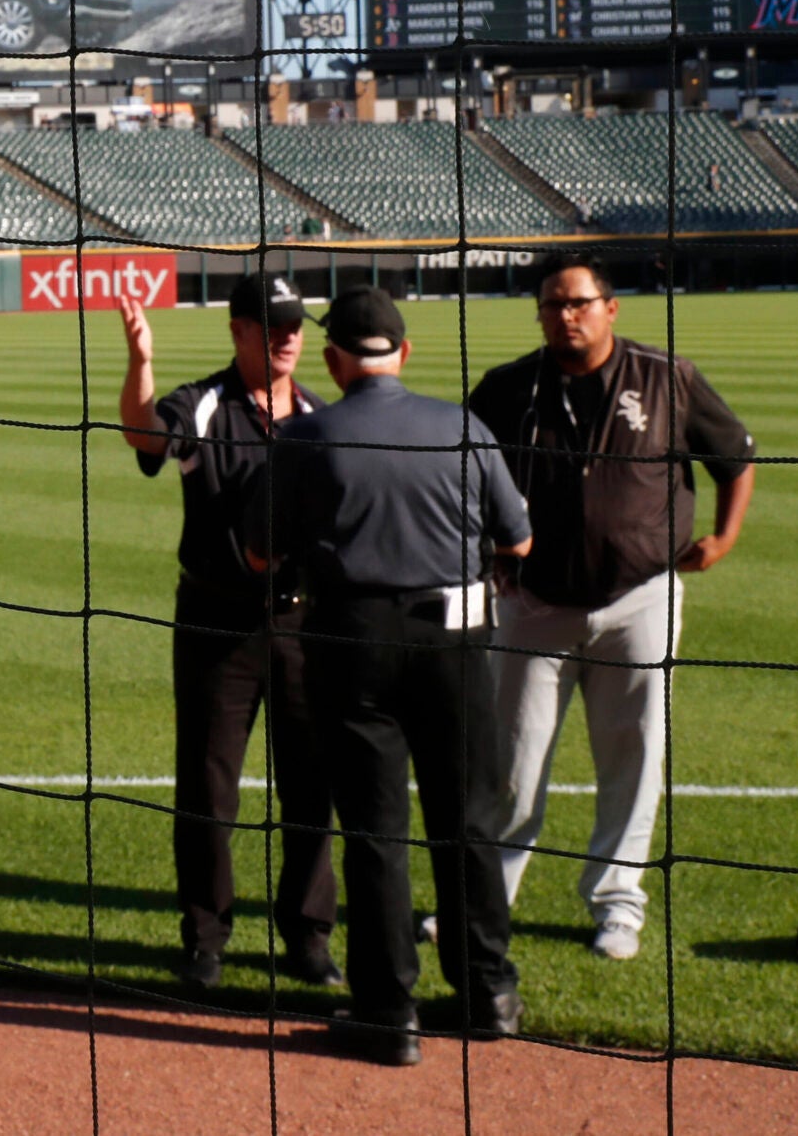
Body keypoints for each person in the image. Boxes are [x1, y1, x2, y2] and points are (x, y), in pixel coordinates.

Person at [248, 287, 531, 1065]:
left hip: (355, 640)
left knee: (375, 830)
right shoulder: (464, 425)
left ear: (335, 361)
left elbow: (257, 553)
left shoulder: (308, 435)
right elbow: (522, 539)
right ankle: (488, 993)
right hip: (461, 638)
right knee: (470, 819)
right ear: (404, 353)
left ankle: (387, 1011)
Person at [467, 254, 755, 963]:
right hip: (532, 601)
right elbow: (461, 469)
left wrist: (724, 536)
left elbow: (736, 455)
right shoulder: (509, 387)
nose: (565, 315)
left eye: (578, 302)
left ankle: (616, 904)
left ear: (610, 306)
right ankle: (483, 904)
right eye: (551, 305)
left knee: (633, 754)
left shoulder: (667, 377)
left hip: (640, 597)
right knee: (511, 762)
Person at [117, 273, 338, 992]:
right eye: (271, 323)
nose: (287, 336)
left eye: (295, 323)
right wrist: (140, 362)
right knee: (208, 790)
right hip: (217, 622)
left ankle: (307, 936)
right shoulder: (203, 404)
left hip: (305, 623)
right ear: (238, 329)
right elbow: (147, 437)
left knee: (310, 785)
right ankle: (205, 938)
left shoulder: (317, 412)